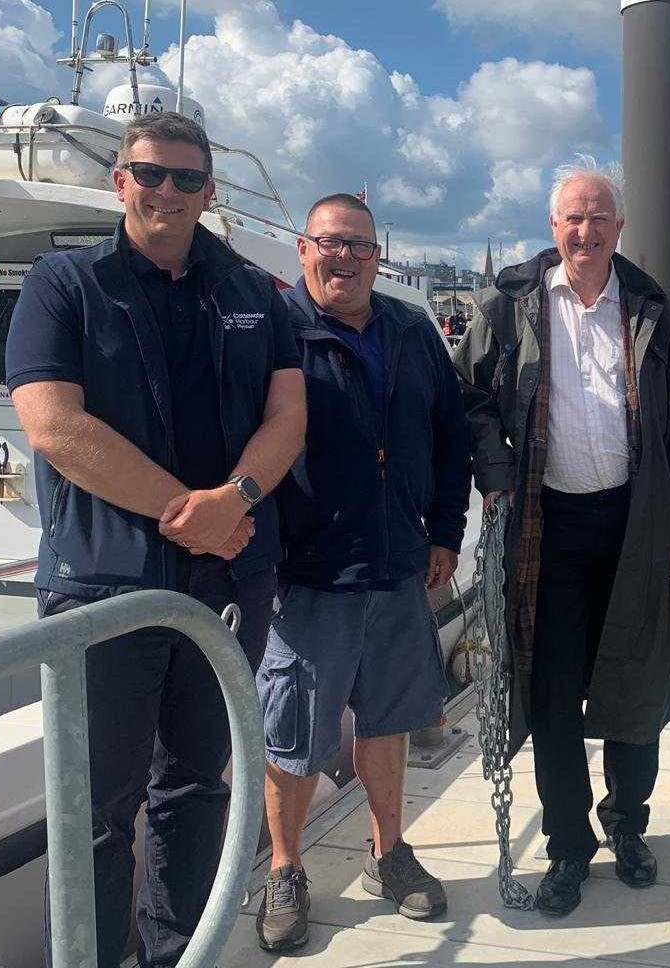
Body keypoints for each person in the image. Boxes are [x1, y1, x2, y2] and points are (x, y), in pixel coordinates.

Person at [6, 112, 306, 967]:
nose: (166, 191)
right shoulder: (62, 285)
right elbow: (54, 425)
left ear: (209, 191)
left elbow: (290, 413)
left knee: (197, 788)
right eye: (150, 173)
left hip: (227, 589)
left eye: (185, 178)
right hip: (105, 591)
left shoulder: (253, 292)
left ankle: (178, 958)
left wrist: (237, 498)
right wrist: (195, 511)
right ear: (120, 181)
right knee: (96, 806)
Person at [453, 155, 670, 918]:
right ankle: (567, 848)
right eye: (572, 216)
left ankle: (627, 826)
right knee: (554, 698)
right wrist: (495, 473)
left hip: (636, 523)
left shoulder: (652, 312)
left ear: (618, 227)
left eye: (598, 216)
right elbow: (467, 398)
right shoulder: (509, 304)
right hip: (545, 527)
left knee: (635, 685)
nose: (585, 229)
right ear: (552, 226)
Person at [254, 193, 472, 951]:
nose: (343, 258)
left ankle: (388, 853)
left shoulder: (411, 332)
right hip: (308, 575)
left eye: (359, 247)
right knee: (294, 737)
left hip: (396, 565)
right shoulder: (276, 333)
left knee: (386, 721)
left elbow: (451, 437)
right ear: (302, 249)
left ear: (377, 258)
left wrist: (445, 531)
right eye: (329, 244)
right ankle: (286, 869)